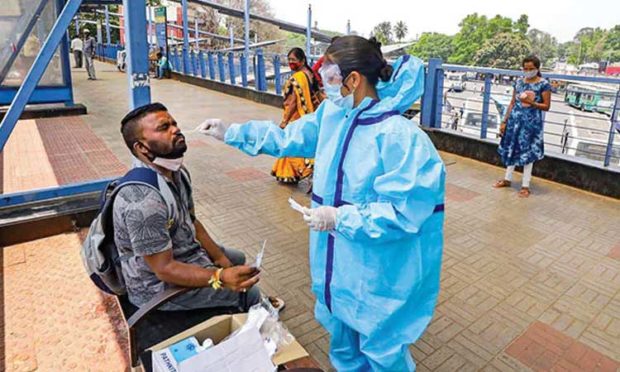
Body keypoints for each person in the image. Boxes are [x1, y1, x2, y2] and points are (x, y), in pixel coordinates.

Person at [198, 36, 445, 371]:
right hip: (337, 265)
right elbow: (288, 137)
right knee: (343, 342)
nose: (325, 85)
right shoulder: (333, 115)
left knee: (383, 351)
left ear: (353, 79)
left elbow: (405, 213)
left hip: (378, 271)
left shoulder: (400, 137)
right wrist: (232, 132)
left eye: (330, 77)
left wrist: (340, 219)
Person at [114, 102, 284, 312]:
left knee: (236, 258)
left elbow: (192, 222)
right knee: (248, 292)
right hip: (157, 288)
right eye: (163, 128)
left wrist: (221, 260)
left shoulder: (177, 173)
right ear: (141, 147)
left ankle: (246, 304)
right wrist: (219, 277)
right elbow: (164, 270)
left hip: (184, 254)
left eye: (173, 123)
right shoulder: (143, 202)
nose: (175, 129)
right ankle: (256, 315)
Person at [494, 55, 551, 198]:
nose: (528, 71)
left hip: (531, 124)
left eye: (531, 69)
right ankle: (507, 178)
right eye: (525, 68)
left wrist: (532, 103)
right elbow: (513, 102)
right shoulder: (519, 82)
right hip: (515, 121)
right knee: (511, 148)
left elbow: (546, 106)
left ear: (537, 68)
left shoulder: (543, 84)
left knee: (528, 153)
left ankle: (526, 185)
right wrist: (504, 121)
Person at [270, 48, 321, 184]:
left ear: (302, 60)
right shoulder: (309, 73)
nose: (291, 63)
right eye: (289, 60)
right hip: (308, 115)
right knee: (295, 143)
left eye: (293, 60)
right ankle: (287, 173)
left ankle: (307, 169)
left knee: (291, 144)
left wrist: (284, 121)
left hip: (297, 116)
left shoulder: (297, 77)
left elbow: (292, 102)